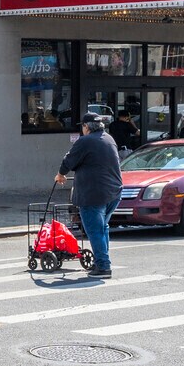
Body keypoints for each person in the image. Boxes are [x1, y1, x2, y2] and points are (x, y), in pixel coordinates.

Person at [55, 115, 123, 279]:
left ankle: (103, 266)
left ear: (87, 126)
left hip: (93, 193)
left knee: (95, 231)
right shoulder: (108, 138)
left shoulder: (85, 141)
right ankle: (101, 261)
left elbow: (69, 161)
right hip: (113, 192)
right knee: (102, 228)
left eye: (82, 126)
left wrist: (60, 175)